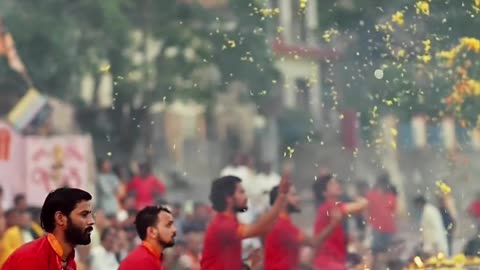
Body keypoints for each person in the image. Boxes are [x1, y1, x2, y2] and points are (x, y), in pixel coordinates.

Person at [200, 174, 290, 270]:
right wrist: (281, 196)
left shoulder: (230, 222)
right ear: (228, 198)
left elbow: (265, 229)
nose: (245, 197)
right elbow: (259, 229)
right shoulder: (223, 225)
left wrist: (248, 264)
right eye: (241, 192)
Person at [1, 187, 95, 270]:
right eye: (84, 215)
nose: (91, 221)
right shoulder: (33, 258)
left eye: (90, 215)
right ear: (60, 218)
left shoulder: (69, 262)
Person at [264, 185, 341, 270]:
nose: (298, 199)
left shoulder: (281, 223)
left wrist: (313, 268)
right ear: (282, 201)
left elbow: (292, 260)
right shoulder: (282, 226)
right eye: (294, 195)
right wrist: (333, 224)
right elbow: (313, 242)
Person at [312, 174, 368, 270]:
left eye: (336, 183)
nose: (337, 185)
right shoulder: (329, 207)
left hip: (334, 261)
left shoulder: (330, 206)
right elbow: (362, 205)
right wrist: (354, 194)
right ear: (324, 192)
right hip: (328, 263)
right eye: (332, 184)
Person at [118, 205, 177, 270]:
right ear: (151, 232)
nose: (174, 230)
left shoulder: (152, 257)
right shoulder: (143, 261)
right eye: (168, 225)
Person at [366, 174, 397, 266]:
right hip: (377, 228)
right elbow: (368, 209)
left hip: (387, 228)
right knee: (377, 251)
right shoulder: (372, 195)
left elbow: (393, 210)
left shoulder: (390, 196)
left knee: (385, 251)